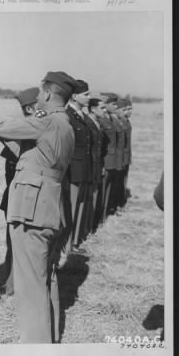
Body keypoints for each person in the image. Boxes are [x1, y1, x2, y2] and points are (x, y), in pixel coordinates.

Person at [0, 71, 75, 343]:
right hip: (50, 210)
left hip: (32, 212)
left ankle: (36, 352)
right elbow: (37, 153)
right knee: (45, 278)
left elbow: (3, 126)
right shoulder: (64, 124)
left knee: (30, 286)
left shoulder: (46, 122)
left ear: (46, 94)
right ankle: (50, 338)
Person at [0, 87, 39, 296]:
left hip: (28, 197)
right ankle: (11, 285)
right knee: (15, 244)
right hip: (18, 198)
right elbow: (10, 175)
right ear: (32, 108)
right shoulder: (20, 134)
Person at [59, 79, 91, 266]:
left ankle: (72, 244)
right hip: (72, 170)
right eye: (85, 94)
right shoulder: (68, 115)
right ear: (74, 96)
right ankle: (66, 247)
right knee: (69, 210)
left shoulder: (80, 115)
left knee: (76, 208)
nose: (88, 97)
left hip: (82, 169)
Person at [85, 97, 107, 231]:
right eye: (102, 108)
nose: (105, 110)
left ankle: (90, 225)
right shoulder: (87, 123)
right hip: (89, 165)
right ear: (93, 109)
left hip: (97, 165)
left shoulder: (97, 123)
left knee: (94, 195)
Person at [99, 93, 118, 221]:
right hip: (105, 160)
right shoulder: (101, 120)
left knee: (108, 188)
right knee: (102, 189)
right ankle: (99, 217)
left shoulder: (111, 118)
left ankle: (104, 214)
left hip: (112, 159)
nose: (115, 106)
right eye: (113, 104)